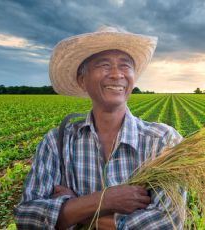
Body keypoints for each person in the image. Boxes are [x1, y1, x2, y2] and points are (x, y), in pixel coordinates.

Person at [14, 26, 185, 230]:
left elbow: (168, 221)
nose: (116, 74)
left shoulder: (162, 141)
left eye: (125, 65)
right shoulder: (56, 141)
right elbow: (26, 217)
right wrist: (104, 200)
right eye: (104, 65)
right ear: (82, 80)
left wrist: (78, 209)